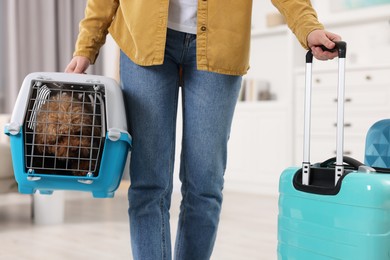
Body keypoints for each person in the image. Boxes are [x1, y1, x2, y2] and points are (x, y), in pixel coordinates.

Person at [65, 0, 341, 259]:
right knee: (149, 183)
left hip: (221, 40)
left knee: (205, 185)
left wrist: (309, 27)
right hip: (143, 37)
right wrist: (87, 45)